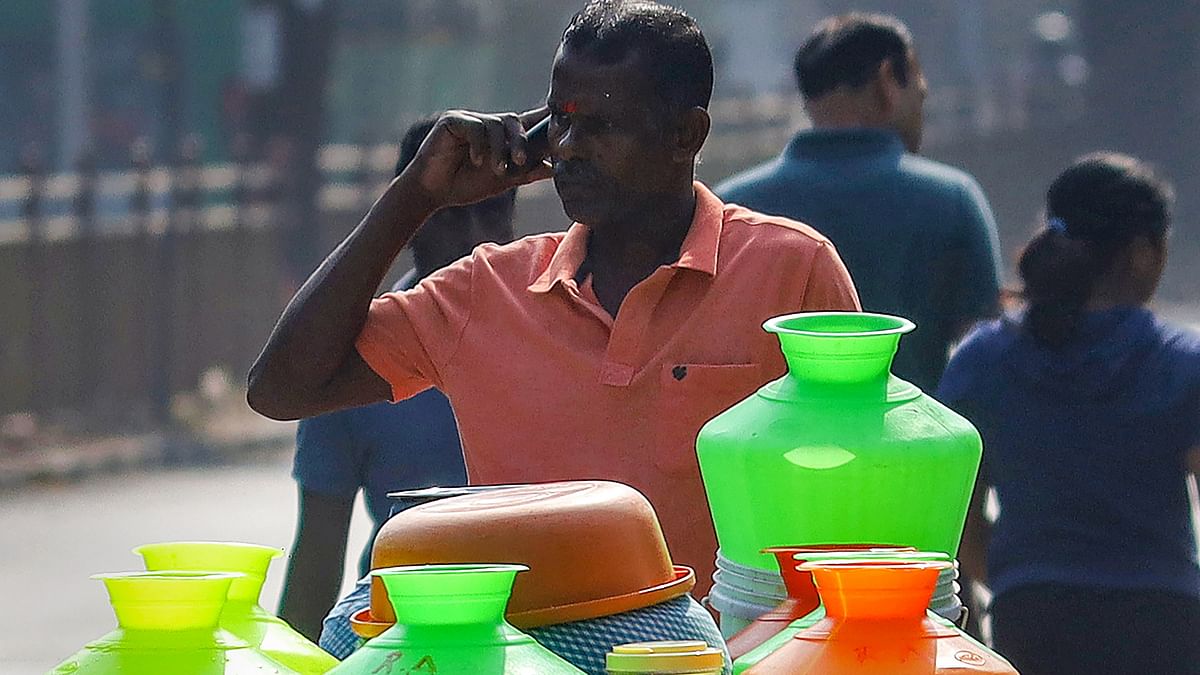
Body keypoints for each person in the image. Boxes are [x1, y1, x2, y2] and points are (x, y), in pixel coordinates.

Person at [247, 0, 860, 604]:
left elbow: (862, 489)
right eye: (561, 120)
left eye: (601, 125)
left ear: (685, 134)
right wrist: (416, 198)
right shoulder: (485, 291)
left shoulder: (792, 271)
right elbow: (280, 389)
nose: (567, 147)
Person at [937, 153, 1200, 675]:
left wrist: (1012, 574)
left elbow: (954, 504)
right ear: (1144, 253)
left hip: (1031, 616)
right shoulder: (1178, 364)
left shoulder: (983, 359)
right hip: (1163, 619)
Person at [276, 116, 516, 641]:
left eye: (494, 213)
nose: (478, 241)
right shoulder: (354, 359)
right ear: (411, 222)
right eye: (454, 216)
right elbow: (318, 552)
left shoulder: (559, 324)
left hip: (540, 625)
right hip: (404, 630)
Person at [715, 13, 1000, 394]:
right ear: (887, 81)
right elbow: (980, 359)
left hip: (773, 448)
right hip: (908, 447)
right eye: (917, 84)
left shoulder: (733, 207)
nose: (921, 99)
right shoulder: (951, 199)